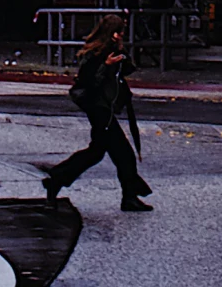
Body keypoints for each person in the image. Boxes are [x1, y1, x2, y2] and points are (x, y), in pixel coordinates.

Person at [43, 19, 153, 211]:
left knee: (100, 153)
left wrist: (120, 53)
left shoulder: (112, 49)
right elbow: (89, 82)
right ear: (111, 32)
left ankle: (57, 180)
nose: (122, 35)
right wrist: (106, 64)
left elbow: (129, 68)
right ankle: (57, 179)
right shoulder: (93, 54)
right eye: (119, 32)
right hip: (98, 108)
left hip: (105, 108)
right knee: (119, 154)